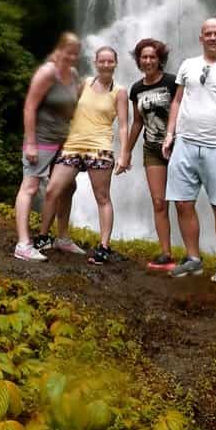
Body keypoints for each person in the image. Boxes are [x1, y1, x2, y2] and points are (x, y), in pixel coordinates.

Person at [163, 18, 216, 284]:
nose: (212, 37)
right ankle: (193, 259)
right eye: (207, 34)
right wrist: (169, 133)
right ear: (200, 38)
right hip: (184, 144)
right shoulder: (188, 65)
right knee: (182, 202)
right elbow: (177, 100)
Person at [37, 45, 130, 266]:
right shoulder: (85, 83)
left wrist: (125, 153)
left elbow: (125, 125)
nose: (106, 65)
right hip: (73, 145)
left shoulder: (120, 91)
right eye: (102, 61)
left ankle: (104, 247)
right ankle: (46, 237)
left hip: (99, 148)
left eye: (110, 61)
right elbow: (67, 107)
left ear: (115, 64)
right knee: (54, 190)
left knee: (102, 197)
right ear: (96, 63)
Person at [14, 32, 80, 261]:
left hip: (63, 140)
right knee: (30, 187)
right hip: (41, 140)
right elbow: (29, 107)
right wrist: (30, 143)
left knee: (68, 186)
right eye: (68, 52)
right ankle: (23, 244)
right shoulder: (47, 72)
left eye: (75, 54)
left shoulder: (72, 75)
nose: (71, 57)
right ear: (59, 50)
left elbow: (73, 108)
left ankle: (62, 237)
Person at [116, 38, 177, 269]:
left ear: (160, 59)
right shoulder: (136, 89)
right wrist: (126, 152)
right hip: (152, 148)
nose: (148, 61)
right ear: (138, 60)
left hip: (177, 146)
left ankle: (192, 255)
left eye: (152, 57)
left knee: (183, 202)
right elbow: (137, 122)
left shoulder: (172, 82)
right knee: (159, 202)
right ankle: (166, 253)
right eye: (144, 57)